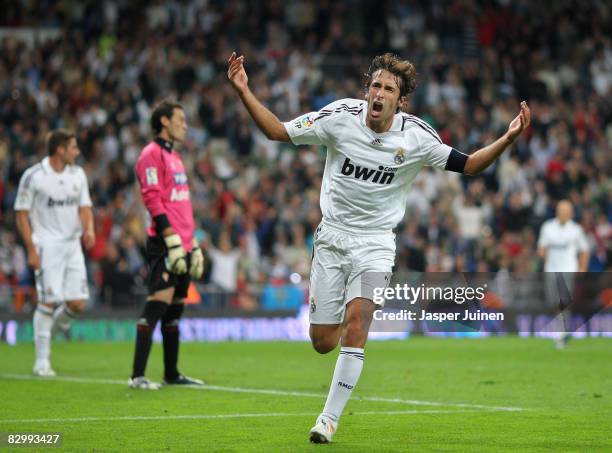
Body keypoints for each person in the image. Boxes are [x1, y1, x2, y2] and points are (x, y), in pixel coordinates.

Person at [228, 51, 531, 443]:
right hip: (333, 239)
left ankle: (328, 419)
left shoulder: (417, 136)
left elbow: (470, 164)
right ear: (366, 91)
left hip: (376, 245)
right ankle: (335, 342)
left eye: (388, 88)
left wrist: (507, 138)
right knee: (323, 342)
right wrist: (243, 91)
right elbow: (277, 131)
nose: (379, 93)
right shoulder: (339, 118)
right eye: (375, 85)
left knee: (359, 324)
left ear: (400, 100)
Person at [128, 99, 205, 389]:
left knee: (175, 310)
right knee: (156, 305)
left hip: (183, 242)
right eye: (180, 120)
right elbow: (152, 198)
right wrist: (171, 239)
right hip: (164, 241)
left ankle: (171, 374)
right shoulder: (151, 154)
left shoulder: (175, 157)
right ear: (164, 122)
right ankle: (137, 376)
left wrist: (192, 242)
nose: (185, 125)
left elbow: (182, 205)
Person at [15, 129, 95, 376]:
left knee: (78, 303)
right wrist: (31, 249)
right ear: (60, 150)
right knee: (48, 301)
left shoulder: (77, 174)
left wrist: (89, 229)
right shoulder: (34, 176)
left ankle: (45, 335)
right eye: (73, 147)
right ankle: (42, 361)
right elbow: (21, 213)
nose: (77, 151)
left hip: (72, 245)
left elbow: (84, 207)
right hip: (47, 244)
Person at [537, 199, 589, 349]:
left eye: (566, 211)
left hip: (568, 270)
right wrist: (545, 258)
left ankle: (561, 333)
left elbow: (584, 249)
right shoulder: (548, 227)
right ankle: (561, 330)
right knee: (553, 303)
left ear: (571, 213)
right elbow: (541, 248)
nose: (564, 214)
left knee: (564, 302)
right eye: (561, 211)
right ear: (557, 212)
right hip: (551, 270)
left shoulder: (576, 229)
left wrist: (583, 267)